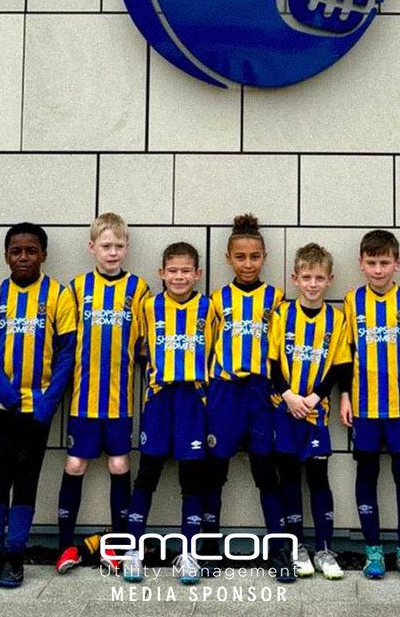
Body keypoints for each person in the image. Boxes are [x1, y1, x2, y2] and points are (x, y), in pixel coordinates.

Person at [0, 222, 77, 588]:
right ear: (5, 255)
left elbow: (67, 352)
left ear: (43, 255)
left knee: (27, 475)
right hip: (1, 405)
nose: (23, 257)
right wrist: (3, 388)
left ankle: (15, 555)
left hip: (39, 408)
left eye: (31, 251)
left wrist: (49, 402)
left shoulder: (58, 295)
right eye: (16, 251)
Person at [54, 212, 149, 575]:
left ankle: (120, 547)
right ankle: (65, 546)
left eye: (119, 246)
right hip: (82, 398)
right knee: (76, 464)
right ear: (92, 247)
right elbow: (66, 343)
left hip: (120, 400)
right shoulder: (77, 288)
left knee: (119, 464)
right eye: (106, 246)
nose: (113, 252)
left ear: (127, 248)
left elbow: (144, 343)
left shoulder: (138, 289)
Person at [204, 214, 292, 582]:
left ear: (265, 256)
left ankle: (279, 549)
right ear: (228, 257)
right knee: (214, 471)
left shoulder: (276, 298)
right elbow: (206, 348)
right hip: (224, 393)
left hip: (260, 394)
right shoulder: (217, 299)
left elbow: (284, 348)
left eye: (254, 257)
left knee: (265, 472)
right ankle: (207, 548)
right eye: (240, 257)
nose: (248, 264)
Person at [121, 241, 213, 587]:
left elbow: (216, 352)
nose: (179, 277)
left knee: (191, 479)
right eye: (172, 271)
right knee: (147, 475)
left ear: (197, 274)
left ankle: (188, 553)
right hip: (159, 400)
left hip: (192, 400)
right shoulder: (148, 307)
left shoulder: (208, 308)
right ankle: (133, 550)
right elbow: (138, 352)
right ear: (161, 273)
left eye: (185, 271)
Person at [339, 229, 400, 583]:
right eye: (372, 263)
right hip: (363, 407)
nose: (378, 270)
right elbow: (344, 356)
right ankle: (373, 550)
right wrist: (344, 395)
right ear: (361, 264)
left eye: (385, 263)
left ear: (397, 264)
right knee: (367, 475)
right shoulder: (351, 301)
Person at [268, 243, 350, 580]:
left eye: (319, 277)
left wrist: (315, 397)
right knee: (289, 480)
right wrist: (289, 396)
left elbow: (341, 366)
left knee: (318, 479)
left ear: (330, 279)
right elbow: (271, 363)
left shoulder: (337, 319)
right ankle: (297, 546)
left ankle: (324, 549)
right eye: (306, 277)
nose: (313, 284)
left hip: (317, 413)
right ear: (295, 278)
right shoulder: (281, 315)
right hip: (284, 411)